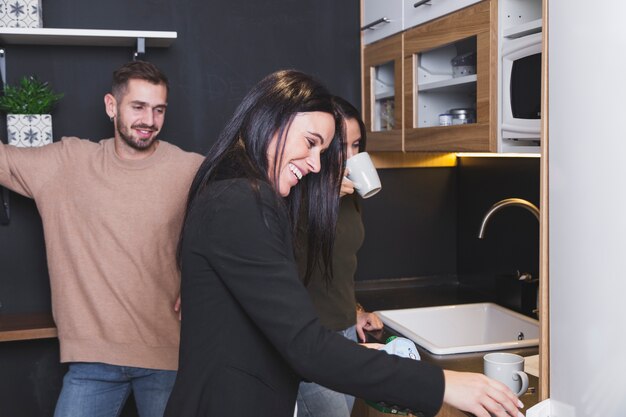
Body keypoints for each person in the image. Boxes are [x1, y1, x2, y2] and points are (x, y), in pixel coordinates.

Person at [164, 69, 524, 417]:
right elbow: (307, 348)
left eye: (323, 150)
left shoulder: (234, 191)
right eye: (311, 143)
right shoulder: (241, 201)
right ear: (272, 120)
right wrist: (443, 384)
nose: (317, 165)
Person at [0, 61, 204, 417]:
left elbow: (241, 218)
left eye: (159, 110)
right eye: (138, 107)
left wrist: (202, 281)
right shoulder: (67, 162)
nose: (149, 120)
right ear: (111, 106)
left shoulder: (190, 169)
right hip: (92, 362)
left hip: (167, 359)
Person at [295, 96, 383, 417]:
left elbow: (339, 268)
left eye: (357, 145)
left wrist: (356, 312)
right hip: (310, 340)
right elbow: (290, 268)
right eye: (340, 146)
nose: (350, 156)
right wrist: (326, 195)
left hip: (345, 334)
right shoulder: (295, 193)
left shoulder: (352, 197)